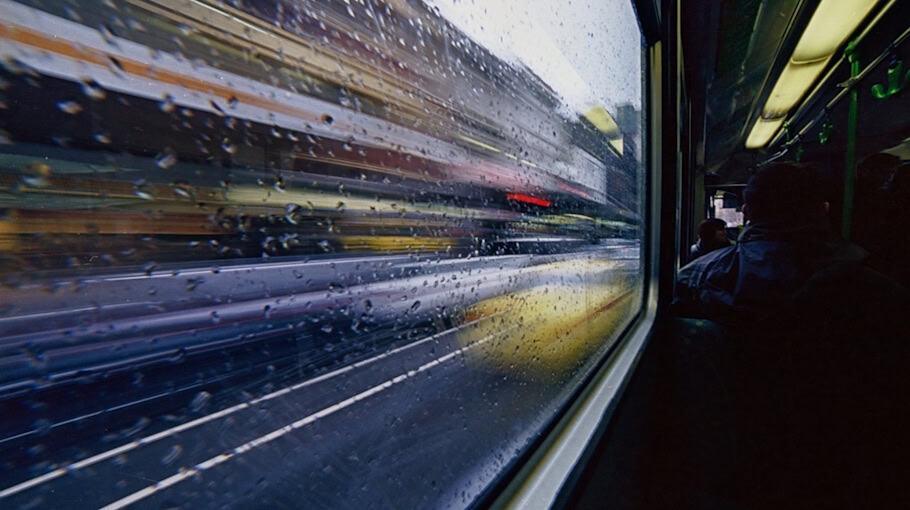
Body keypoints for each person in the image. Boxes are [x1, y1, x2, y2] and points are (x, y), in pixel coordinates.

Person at [675, 161, 910, 508]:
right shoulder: (883, 295)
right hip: (848, 475)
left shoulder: (693, 282)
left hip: (735, 478)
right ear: (824, 211)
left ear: (749, 212)